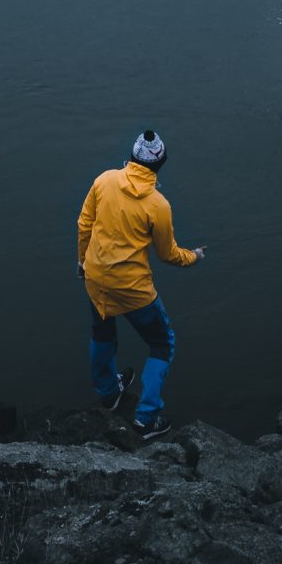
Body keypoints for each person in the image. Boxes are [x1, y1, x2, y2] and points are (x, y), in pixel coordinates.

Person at [76, 129, 204, 440]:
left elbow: (84, 224)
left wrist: (82, 262)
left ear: (132, 156)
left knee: (102, 331)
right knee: (162, 343)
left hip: (95, 277)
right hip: (133, 289)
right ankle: (146, 419)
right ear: (160, 164)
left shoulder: (104, 180)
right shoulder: (158, 205)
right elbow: (168, 255)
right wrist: (194, 256)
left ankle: (109, 392)